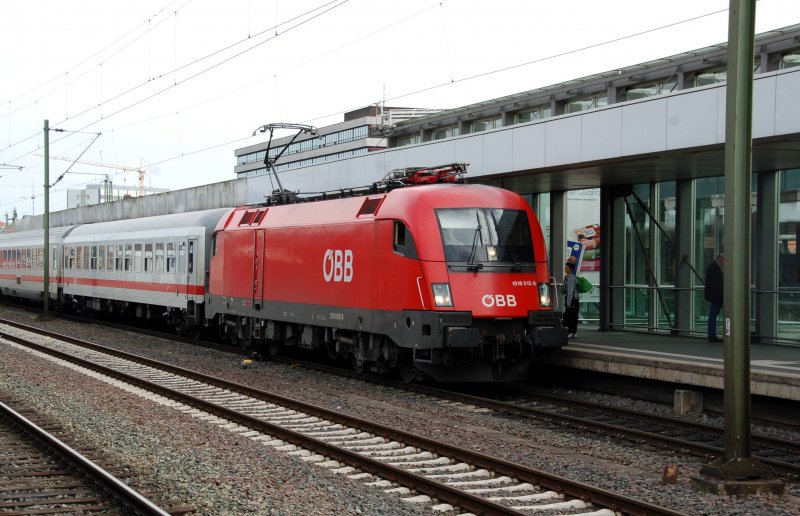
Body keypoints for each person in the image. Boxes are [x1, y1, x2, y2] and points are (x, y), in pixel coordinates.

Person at [704, 254, 724, 342]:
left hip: (715, 296)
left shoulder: (713, 266)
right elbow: (718, 283)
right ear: (720, 259)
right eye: (724, 260)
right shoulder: (715, 267)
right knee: (713, 315)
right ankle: (712, 335)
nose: (725, 263)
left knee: (713, 315)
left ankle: (712, 335)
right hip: (717, 296)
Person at [563, 261, 580, 339]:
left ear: (570, 269)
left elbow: (570, 291)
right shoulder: (566, 277)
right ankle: (573, 332)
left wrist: (568, 302)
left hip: (573, 300)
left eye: (566, 267)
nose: (565, 268)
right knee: (570, 315)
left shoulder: (571, 279)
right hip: (571, 299)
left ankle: (572, 332)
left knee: (572, 316)